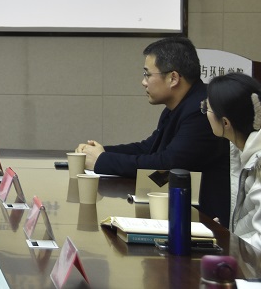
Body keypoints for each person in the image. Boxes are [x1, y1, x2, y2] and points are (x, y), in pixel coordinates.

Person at [75, 36, 230, 224]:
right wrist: (100, 152)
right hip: (179, 211)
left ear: (173, 78)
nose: (143, 82)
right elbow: (149, 148)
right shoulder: (180, 105)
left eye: (147, 74)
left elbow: (167, 164)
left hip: (205, 221)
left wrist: (102, 160)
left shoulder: (202, 110)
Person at [205, 72, 261, 250]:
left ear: (226, 123)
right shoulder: (241, 149)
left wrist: (226, 243)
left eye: (207, 109)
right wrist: (224, 234)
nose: (205, 114)